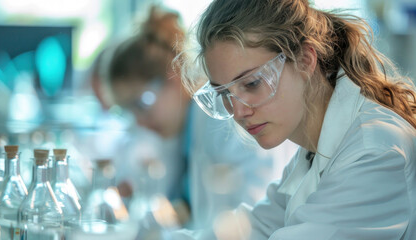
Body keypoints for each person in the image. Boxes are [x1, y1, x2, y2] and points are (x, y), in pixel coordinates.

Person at [174, 0, 416, 239]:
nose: (238, 112)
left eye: (252, 83)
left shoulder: (373, 151)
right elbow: (254, 228)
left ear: (305, 59)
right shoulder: (313, 151)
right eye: (225, 93)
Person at [106, 6, 296, 231]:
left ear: (173, 75)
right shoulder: (181, 132)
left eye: (142, 103)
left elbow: (251, 216)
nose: (138, 121)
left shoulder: (227, 120)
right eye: (126, 111)